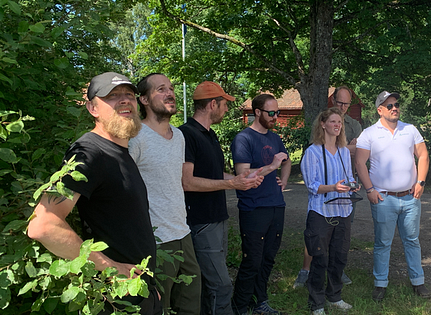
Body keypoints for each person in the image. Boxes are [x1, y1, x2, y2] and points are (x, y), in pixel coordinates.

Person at [27, 72, 162, 314]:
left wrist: (150, 288)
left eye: (129, 95)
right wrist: (110, 267)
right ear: (92, 108)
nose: (124, 100)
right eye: (112, 96)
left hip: (137, 293)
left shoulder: (119, 152)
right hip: (113, 300)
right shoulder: (88, 152)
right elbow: (42, 225)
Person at [179, 81, 264, 315]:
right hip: (200, 221)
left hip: (217, 218)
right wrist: (231, 183)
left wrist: (241, 178)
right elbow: (187, 181)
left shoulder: (210, 134)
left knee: (211, 284)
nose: (227, 110)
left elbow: (214, 175)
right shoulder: (186, 134)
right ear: (212, 104)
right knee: (220, 285)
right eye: (225, 104)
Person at [128, 73, 202, 315]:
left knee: (190, 303)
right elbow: (123, 190)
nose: (170, 93)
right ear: (145, 100)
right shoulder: (135, 137)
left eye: (170, 88)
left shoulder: (179, 136)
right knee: (159, 306)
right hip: (155, 239)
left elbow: (178, 182)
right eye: (161, 89)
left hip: (183, 231)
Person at [355, 91, 431, 302]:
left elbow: (423, 155)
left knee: (412, 241)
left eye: (396, 104)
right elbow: (360, 163)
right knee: (382, 243)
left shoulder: (410, 130)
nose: (394, 108)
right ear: (379, 110)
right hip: (383, 198)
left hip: (410, 197)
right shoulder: (369, 134)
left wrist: (421, 182)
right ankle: (380, 284)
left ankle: (418, 282)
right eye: (389, 105)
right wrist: (369, 189)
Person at [294, 86, 361, 288]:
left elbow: (357, 150)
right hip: (322, 204)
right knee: (317, 241)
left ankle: (336, 280)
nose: (342, 107)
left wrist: (352, 186)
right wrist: (333, 186)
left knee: (339, 244)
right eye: (339, 103)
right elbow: (313, 183)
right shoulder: (313, 150)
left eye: (346, 104)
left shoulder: (355, 125)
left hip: (343, 200)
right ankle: (307, 272)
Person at [231, 93, 291, 315]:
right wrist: (271, 166)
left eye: (278, 112)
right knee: (252, 260)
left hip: (276, 204)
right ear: (257, 112)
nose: (276, 116)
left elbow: (287, 160)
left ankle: (260, 301)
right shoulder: (244, 139)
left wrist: (283, 178)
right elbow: (242, 176)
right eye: (272, 112)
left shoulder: (274, 138)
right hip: (253, 207)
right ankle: (239, 305)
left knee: (268, 258)